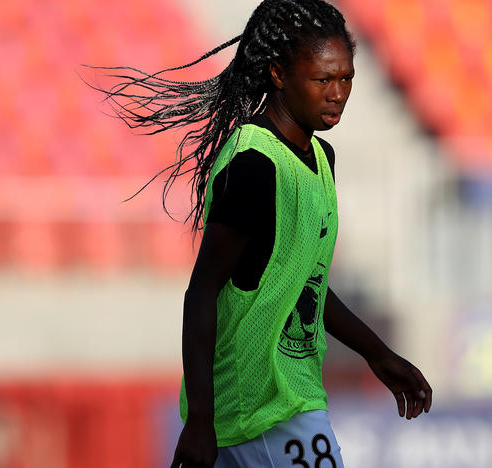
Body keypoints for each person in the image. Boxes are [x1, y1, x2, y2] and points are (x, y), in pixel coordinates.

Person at [90, 0, 433, 466]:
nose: (338, 93)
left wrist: (378, 355)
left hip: (275, 401)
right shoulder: (255, 165)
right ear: (278, 74)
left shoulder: (320, 161)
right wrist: (199, 421)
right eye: (322, 79)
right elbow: (202, 292)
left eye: (346, 78)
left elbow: (301, 282)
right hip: (263, 407)